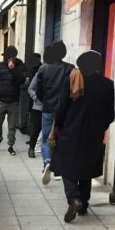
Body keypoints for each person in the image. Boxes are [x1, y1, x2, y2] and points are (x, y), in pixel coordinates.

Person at [50, 50, 115, 223]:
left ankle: (74, 199)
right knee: (86, 169)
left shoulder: (72, 80)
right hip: (94, 134)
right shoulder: (108, 85)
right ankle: (84, 203)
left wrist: (58, 125)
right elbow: (110, 115)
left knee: (66, 165)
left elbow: (61, 107)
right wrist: (100, 127)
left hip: (70, 132)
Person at [36, 40, 74, 183]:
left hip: (48, 108)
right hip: (65, 110)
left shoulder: (43, 69)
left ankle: (47, 162)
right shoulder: (70, 68)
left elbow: (39, 91)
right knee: (61, 138)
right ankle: (58, 169)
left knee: (46, 138)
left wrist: (45, 101)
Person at [0, 45, 26, 155]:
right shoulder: (0, 67)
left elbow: (21, 81)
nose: (10, 59)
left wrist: (13, 70)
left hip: (14, 102)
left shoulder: (20, 66)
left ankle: (10, 145)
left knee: (12, 126)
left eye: (13, 57)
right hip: (1, 101)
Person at [24, 53, 42, 158]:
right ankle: (31, 147)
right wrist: (35, 97)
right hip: (37, 105)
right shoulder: (38, 71)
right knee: (36, 127)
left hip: (50, 106)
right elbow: (30, 87)